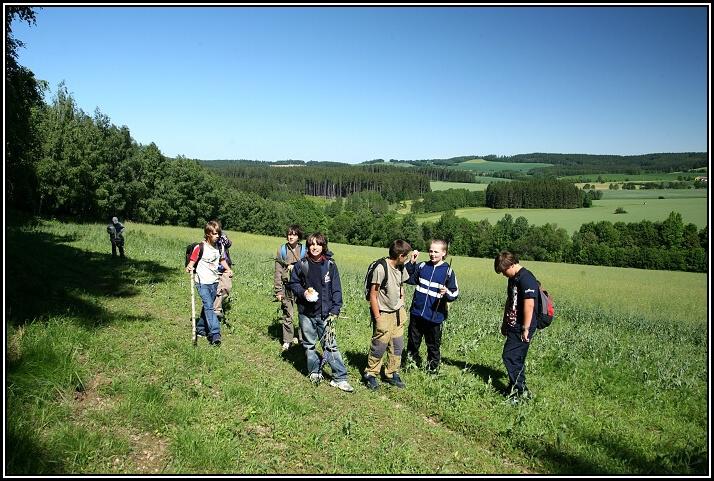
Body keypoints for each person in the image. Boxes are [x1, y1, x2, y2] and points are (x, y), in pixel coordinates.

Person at [286, 232, 354, 393]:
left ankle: (340, 378)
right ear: (308, 246)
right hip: (306, 313)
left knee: (330, 346)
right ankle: (315, 372)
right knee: (309, 345)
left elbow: (336, 289)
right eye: (312, 244)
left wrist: (336, 309)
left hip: (325, 313)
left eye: (318, 244)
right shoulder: (301, 265)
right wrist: (303, 293)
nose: (315, 247)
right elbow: (293, 284)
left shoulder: (330, 265)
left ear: (324, 246)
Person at [362, 240, 412, 390]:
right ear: (400, 255)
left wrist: (402, 303)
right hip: (383, 313)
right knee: (379, 346)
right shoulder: (381, 268)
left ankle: (392, 373)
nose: (408, 259)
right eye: (406, 256)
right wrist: (378, 318)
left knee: (397, 346)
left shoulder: (401, 266)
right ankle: (370, 374)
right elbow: (373, 295)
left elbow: (401, 285)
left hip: (398, 313)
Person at [404, 239, 459, 374]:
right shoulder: (422, 266)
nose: (432, 254)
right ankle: (410, 365)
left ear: (444, 253)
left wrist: (446, 293)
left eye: (436, 251)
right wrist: (412, 262)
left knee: (433, 346)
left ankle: (432, 370)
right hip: (417, 313)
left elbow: (455, 293)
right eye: (430, 251)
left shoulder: (448, 271)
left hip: (435, 316)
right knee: (412, 342)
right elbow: (407, 278)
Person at [493, 251, 539, 401]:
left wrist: (525, 328)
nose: (503, 274)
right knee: (515, 358)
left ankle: (518, 393)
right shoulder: (514, 278)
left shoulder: (526, 278)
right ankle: (516, 387)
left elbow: (529, 304)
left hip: (523, 326)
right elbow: (510, 301)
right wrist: (505, 322)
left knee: (510, 356)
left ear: (512, 264)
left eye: (504, 270)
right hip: (513, 324)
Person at [185, 221, 233, 346]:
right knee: (209, 306)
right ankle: (215, 333)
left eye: (218, 233)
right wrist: (189, 267)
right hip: (201, 282)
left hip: (214, 281)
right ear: (208, 234)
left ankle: (201, 328)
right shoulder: (200, 247)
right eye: (215, 234)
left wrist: (227, 269)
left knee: (208, 306)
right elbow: (192, 261)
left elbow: (222, 259)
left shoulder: (219, 247)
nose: (217, 236)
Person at [274, 224, 306, 351]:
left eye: (294, 234)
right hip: (287, 287)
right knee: (288, 314)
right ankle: (287, 340)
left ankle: (304, 340)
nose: (291, 236)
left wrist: (296, 266)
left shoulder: (304, 250)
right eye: (289, 234)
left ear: (298, 236)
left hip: (302, 288)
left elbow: (309, 268)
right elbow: (278, 271)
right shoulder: (282, 250)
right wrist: (278, 290)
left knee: (303, 315)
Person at [212, 220, 233, 322]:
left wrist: (225, 239)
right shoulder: (211, 239)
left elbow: (229, 244)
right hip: (215, 268)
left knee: (227, 288)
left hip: (225, 267)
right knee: (218, 288)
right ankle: (216, 310)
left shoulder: (223, 238)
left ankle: (216, 304)